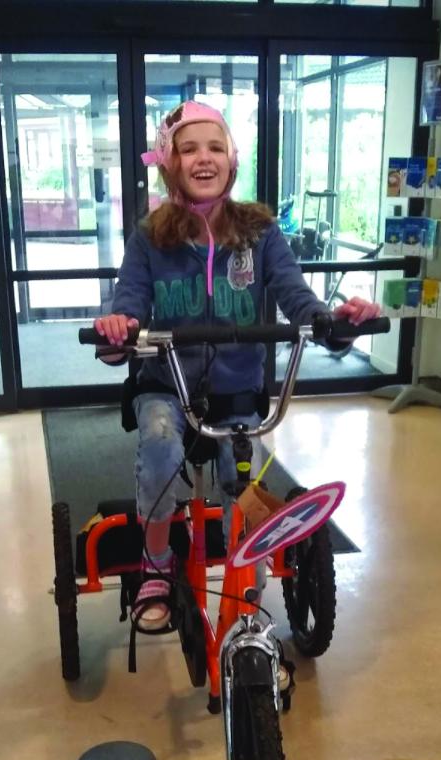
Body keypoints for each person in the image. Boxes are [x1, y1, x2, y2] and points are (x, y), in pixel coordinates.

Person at [95, 100, 379, 631]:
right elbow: (128, 304)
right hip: (167, 386)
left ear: (232, 159)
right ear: (170, 163)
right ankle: (156, 565)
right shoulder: (151, 237)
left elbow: (296, 296)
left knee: (240, 474)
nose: (204, 159)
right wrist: (118, 326)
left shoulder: (259, 234)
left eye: (215, 147)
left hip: (237, 392)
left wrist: (331, 320)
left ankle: (245, 577)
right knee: (159, 444)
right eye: (189, 149)